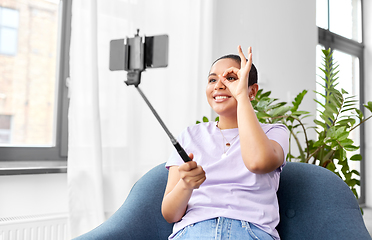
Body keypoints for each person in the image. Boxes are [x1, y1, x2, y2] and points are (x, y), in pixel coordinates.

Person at [161, 46, 289, 240]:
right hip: (194, 231)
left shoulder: (274, 132)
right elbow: (170, 214)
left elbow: (258, 163)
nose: (218, 85)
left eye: (230, 79)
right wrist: (185, 185)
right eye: (212, 80)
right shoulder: (190, 135)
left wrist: (241, 96)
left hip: (250, 232)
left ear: (252, 91)